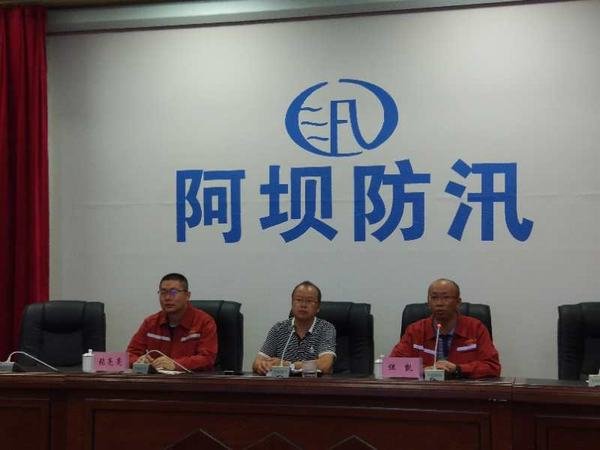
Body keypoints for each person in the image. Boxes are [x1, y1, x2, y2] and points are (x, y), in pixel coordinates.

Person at [390, 278, 500, 379]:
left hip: (463, 390)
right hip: (424, 390)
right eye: (434, 298)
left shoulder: (476, 328)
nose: (439, 303)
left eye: (446, 298)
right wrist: (424, 370)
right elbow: (392, 365)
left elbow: (492, 367)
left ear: (458, 302)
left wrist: (458, 369)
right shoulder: (415, 330)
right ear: (428, 302)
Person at [127, 273, 217, 371]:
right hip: (157, 379)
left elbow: (207, 359)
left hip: (191, 379)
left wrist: (175, 364)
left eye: (173, 292)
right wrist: (138, 361)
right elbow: (130, 354)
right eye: (163, 292)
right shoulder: (151, 323)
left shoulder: (204, 322)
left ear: (187, 295)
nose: (167, 298)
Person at [253, 281, 336, 375]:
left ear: (318, 307)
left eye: (309, 301)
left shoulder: (325, 328)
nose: (303, 305)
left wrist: (288, 365)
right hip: (282, 383)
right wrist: (263, 365)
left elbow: (325, 364)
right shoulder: (279, 328)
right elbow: (257, 362)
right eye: (299, 300)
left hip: (313, 383)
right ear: (292, 303)